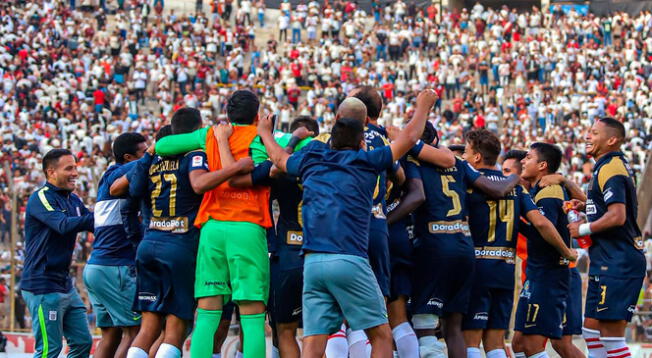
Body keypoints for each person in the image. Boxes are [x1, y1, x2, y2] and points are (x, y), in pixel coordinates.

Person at [259, 90, 439, 358]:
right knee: (380, 334)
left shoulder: (311, 160)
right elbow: (409, 137)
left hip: (312, 261)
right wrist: (424, 105)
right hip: (349, 258)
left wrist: (265, 133)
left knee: (314, 338)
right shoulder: (366, 162)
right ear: (361, 140)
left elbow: (279, 159)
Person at [125, 109, 254, 358]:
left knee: (148, 328)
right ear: (198, 129)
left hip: (149, 243)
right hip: (179, 246)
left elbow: (133, 189)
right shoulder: (195, 154)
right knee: (176, 327)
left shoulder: (153, 159)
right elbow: (199, 184)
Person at [155, 91, 273, 358]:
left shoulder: (209, 134)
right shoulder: (261, 137)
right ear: (256, 115)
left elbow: (162, 146)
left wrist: (214, 137)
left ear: (228, 115)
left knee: (207, 314)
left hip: (213, 228)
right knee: (252, 317)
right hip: (247, 226)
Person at [461, 132, 576, 358]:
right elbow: (538, 223)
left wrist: (567, 252)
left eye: (466, 151)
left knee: (472, 341)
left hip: (482, 266)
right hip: (506, 269)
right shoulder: (518, 189)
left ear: (476, 157)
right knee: (504, 343)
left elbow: (543, 224)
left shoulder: (471, 182)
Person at [228, 116, 318, 358]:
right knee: (323, 333)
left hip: (287, 253)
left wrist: (290, 142)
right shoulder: (327, 161)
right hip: (324, 251)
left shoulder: (286, 170)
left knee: (283, 330)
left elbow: (270, 172)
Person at [568, 118, 646, 358]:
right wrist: (586, 206)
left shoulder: (611, 167)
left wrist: (582, 229)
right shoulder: (604, 166)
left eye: (593, 133)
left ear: (612, 140)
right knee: (591, 332)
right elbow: (610, 209)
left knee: (612, 339)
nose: (587, 137)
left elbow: (618, 216)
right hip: (607, 260)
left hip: (619, 261)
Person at [21, 148, 94, 358]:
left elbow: (93, 223)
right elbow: (61, 224)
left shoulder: (74, 200)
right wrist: (94, 217)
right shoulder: (40, 197)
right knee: (49, 349)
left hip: (64, 283)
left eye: (75, 168)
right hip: (42, 284)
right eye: (69, 168)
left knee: (82, 342)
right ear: (51, 172)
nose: (75, 173)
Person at [510, 142, 581, 358]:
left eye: (528, 158)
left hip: (552, 276)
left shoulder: (549, 192)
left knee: (553, 344)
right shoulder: (534, 194)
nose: (523, 162)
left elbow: (543, 227)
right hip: (538, 274)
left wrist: (567, 252)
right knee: (519, 343)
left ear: (542, 165)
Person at [84, 133, 147, 358]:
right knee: (136, 332)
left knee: (111, 335)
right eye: (143, 152)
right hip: (116, 267)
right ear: (129, 157)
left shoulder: (108, 174)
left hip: (96, 267)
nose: (147, 155)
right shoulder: (122, 173)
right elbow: (148, 163)